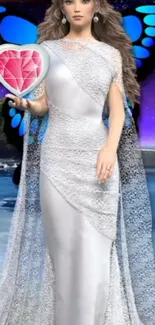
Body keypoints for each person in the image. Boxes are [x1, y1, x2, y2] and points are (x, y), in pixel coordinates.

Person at [0, 0, 155, 324]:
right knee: (64, 255)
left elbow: (117, 111)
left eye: (84, 0)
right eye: (69, 1)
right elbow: (44, 105)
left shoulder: (110, 54)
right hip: (57, 161)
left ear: (96, 7)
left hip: (99, 160)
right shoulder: (46, 50)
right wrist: (26, 103)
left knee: (96, 256)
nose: (77, 8)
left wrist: (110, 149)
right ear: (60, 9)